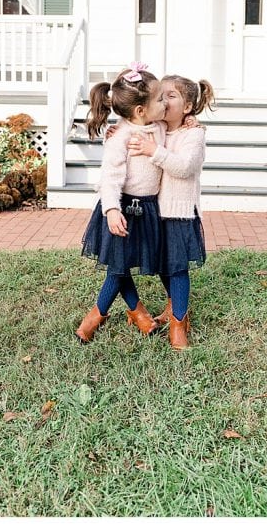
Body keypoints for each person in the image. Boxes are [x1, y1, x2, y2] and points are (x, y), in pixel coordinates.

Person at [74, 62, 166, 344]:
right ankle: (96, 317)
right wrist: (112, 209)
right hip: (122, 209)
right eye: (160, 99)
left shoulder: (160, 126)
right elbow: (111, 178)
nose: (164, 103)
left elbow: (179, 116)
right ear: (140, 110)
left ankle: (136, 312)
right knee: (118, 266)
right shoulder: (121, 137)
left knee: (125, 262)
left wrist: (190, 121)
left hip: (148, 209)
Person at [128, 74, 215, 350]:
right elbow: (134, 126)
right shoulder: (157, 128)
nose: (164, 100)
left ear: (188, 107)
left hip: (179, 213)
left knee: (177, 268)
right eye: (161, 95)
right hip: (154, 211)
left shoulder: (194, 133)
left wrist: (155, 151)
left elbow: (185, 167)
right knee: (163, 266)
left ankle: (179, 323)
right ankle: (172, 306)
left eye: (171, 96)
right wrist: (116, 133)